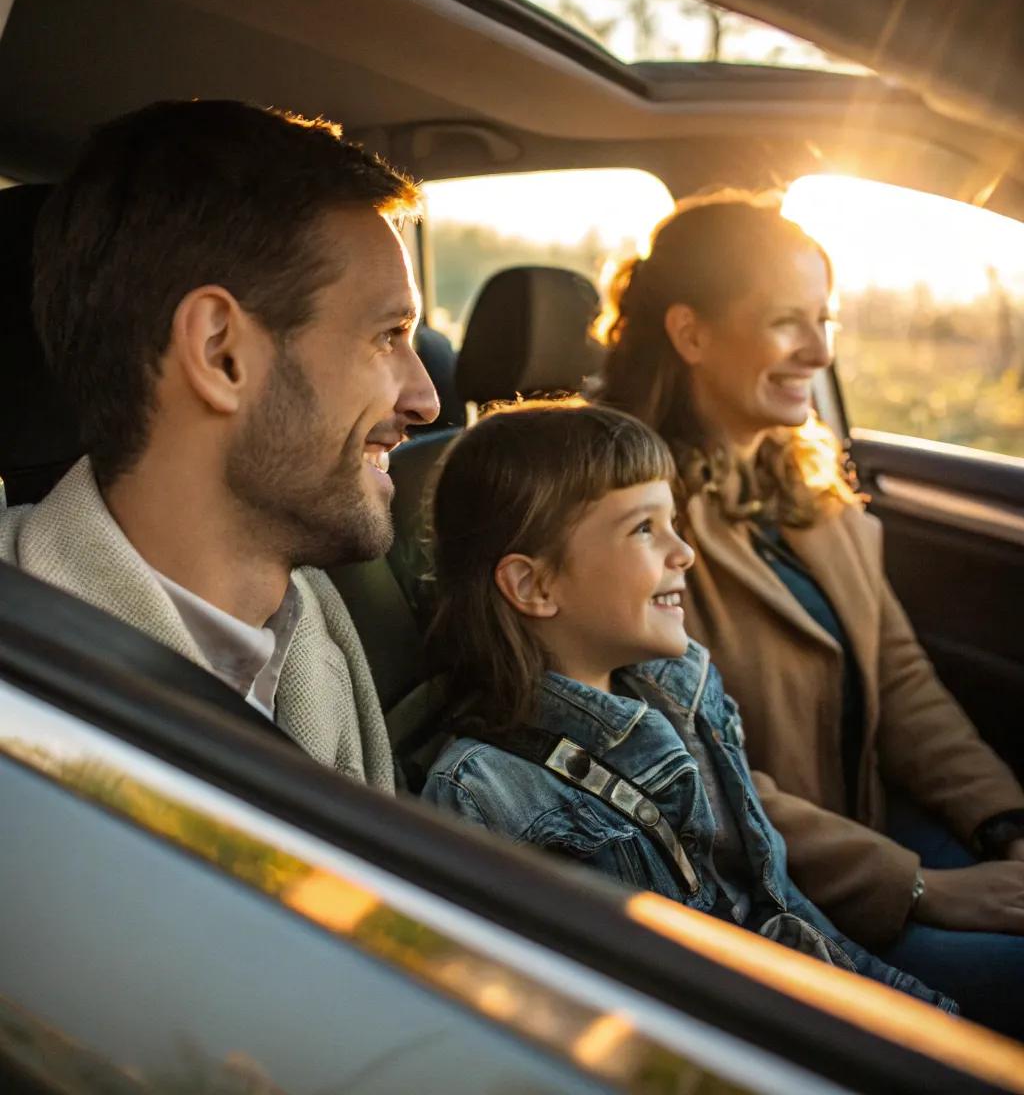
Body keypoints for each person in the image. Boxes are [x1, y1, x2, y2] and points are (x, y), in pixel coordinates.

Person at [598, 188, 1024, 1035]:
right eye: (788, 321)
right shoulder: (630, 520)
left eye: (826, 320)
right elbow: (694, 779)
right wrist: (917, 885)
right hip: (773, 888)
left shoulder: (811, 486)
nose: (819, 350)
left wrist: (1001, 820)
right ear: (691, 334)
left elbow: (901, 680)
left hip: (862, 821)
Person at [421, 399, 954, 1012]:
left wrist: (915, 1009)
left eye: (672, 521)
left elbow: (781, 908)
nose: (685, 553)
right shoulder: (485, 795)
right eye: (644, 528)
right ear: (535, 586)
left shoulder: (686, 688)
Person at [0, 100, 439, 787]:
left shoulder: (316, 628)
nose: (425, 399)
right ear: (221, 353)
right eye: (387, 336)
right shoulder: (23, 678)